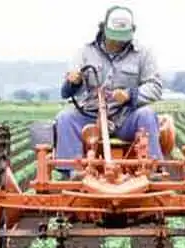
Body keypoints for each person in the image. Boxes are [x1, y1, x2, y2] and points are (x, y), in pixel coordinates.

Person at [54, 5, 163, 180]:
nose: (118, 42)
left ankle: (151, 169)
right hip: (90, 116)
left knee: (147, 115)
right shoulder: (84, 52)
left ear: (132, 32)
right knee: (65, 118)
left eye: (122, 38)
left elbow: (155, 87)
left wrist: (130, 95)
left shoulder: (143, 54)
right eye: (114, 37)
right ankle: (73, 173)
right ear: (103, 28)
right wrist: (73, 82)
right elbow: (66, 92)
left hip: (125, 117)